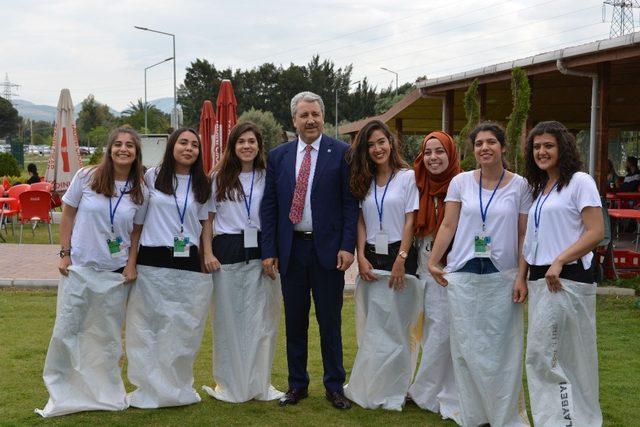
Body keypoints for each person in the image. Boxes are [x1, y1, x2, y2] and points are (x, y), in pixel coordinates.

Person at [36, 127, 147, 417]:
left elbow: (136, 232)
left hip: (114, 273)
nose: (123, 149)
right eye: (118, 144)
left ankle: (104, 390)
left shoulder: (139, 190)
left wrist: (132, 263)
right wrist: (64, 253)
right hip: (80, 269)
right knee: (68, 330)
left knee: (106, 338)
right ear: (109, 149)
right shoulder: (86, 177)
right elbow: (68, 214)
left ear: (136, 153)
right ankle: (64, 389)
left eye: (130, 146)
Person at [427, 122, 531, 427]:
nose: (484, 148)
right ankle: (474, 414)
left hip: (504, 273)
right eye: (479, 143)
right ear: (473, 150)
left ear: (503, 147)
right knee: (466, 347)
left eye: (491, 142)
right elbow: (448, 225)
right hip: (464, 270)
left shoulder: (520, 186)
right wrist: (434, 261)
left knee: (502, 347)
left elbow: (523, 234)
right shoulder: (460, 182)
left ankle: (501, 414)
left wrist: (522, 276)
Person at [260, 91, 358, 409]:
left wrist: (347, 246)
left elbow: (348, 204)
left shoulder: (342, 152)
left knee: (330, 321)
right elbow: (271, 207)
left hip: (328, 251)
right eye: (304, 115)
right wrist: (269, 250)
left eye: (315, 114)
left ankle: (334, 386)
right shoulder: (278, 157)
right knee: (296, 322)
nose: (310, 120)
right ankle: (297, 385)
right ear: (294, 120)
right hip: (292, 251)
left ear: (323, 116)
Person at [519, 120, 604, 426]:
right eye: (537, 146)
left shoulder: (580, 182)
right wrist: (523, 276)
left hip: (566, 279)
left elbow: (596, 232)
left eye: (548, 145)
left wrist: (560, 260)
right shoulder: (540, 188)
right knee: (549, 354)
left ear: (563, 147)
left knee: (551, 355)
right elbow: (532, 239)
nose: (541, 151)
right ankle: (563, 419)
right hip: (541, 279)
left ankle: (564, 420)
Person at [125, 128, 213, 409]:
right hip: (152, 258)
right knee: (149, 328)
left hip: (187, 259)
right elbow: (138, 224)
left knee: (182, 328)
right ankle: (150, 388)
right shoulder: (152, 177)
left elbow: (205, 226)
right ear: (172, 146)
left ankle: (176, 387)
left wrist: (205, 260)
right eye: (183, 143)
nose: (189, 148)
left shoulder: (203, 184)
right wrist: (131, 260)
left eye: (195, 145)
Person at [201, 122, 283, 403]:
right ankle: (231, 383)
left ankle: (258, 382)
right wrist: (208, 252)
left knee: (262, 322)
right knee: (229, 321)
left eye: (251, 141)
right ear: (232, 146)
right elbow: (208, 221)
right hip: (228, 250)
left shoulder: (267, 176)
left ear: (259, 146)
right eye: (241, 142)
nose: (246, 146)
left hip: (262, 252)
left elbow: (274, 216)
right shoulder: (218, 177)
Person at [343, 119, 421, 410]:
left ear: (391, 142)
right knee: (375, 327)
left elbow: (411, 219)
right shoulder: (363, 181)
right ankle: (373, 386)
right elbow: (361, 220)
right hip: (371, 258)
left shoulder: (408, 177)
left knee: (399, 327)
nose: (377, 149)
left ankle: (396, 389)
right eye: (371, 144)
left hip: (400, 257)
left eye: (381, 142)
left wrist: (401, 258)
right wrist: (360, 255)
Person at [408, 130, 462, 423]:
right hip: (420, 267)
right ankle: (423, 385)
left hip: (447, 269)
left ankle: (428, 391)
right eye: (427, 152)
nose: (433, 158)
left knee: (442, 331)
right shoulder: (418, 184)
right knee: (425, 331)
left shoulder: (465, 184)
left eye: (439, 151)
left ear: (451, 153)